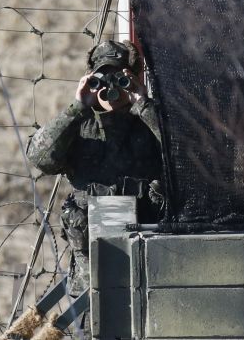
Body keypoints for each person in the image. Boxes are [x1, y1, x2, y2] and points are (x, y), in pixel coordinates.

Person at [26, 40, 163, 332]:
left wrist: (142, 104)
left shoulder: (152, 123)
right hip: (90, 280)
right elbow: (40, 158)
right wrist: (78, 107)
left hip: (149, 270)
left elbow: (185, 156)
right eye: (103, 78)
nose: (111, 88)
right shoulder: (80, 127)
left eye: (121, 78)